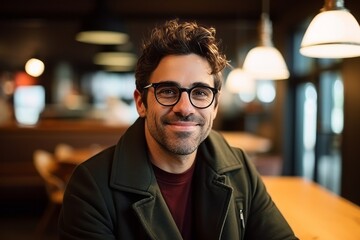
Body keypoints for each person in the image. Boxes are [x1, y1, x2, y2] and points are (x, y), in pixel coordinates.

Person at [58, 19, 298, 240]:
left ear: (215, 106)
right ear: (141, 103)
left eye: (201, 93)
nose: (185, 108)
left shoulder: (240, 168)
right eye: (168, 91)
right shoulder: (91, 187)